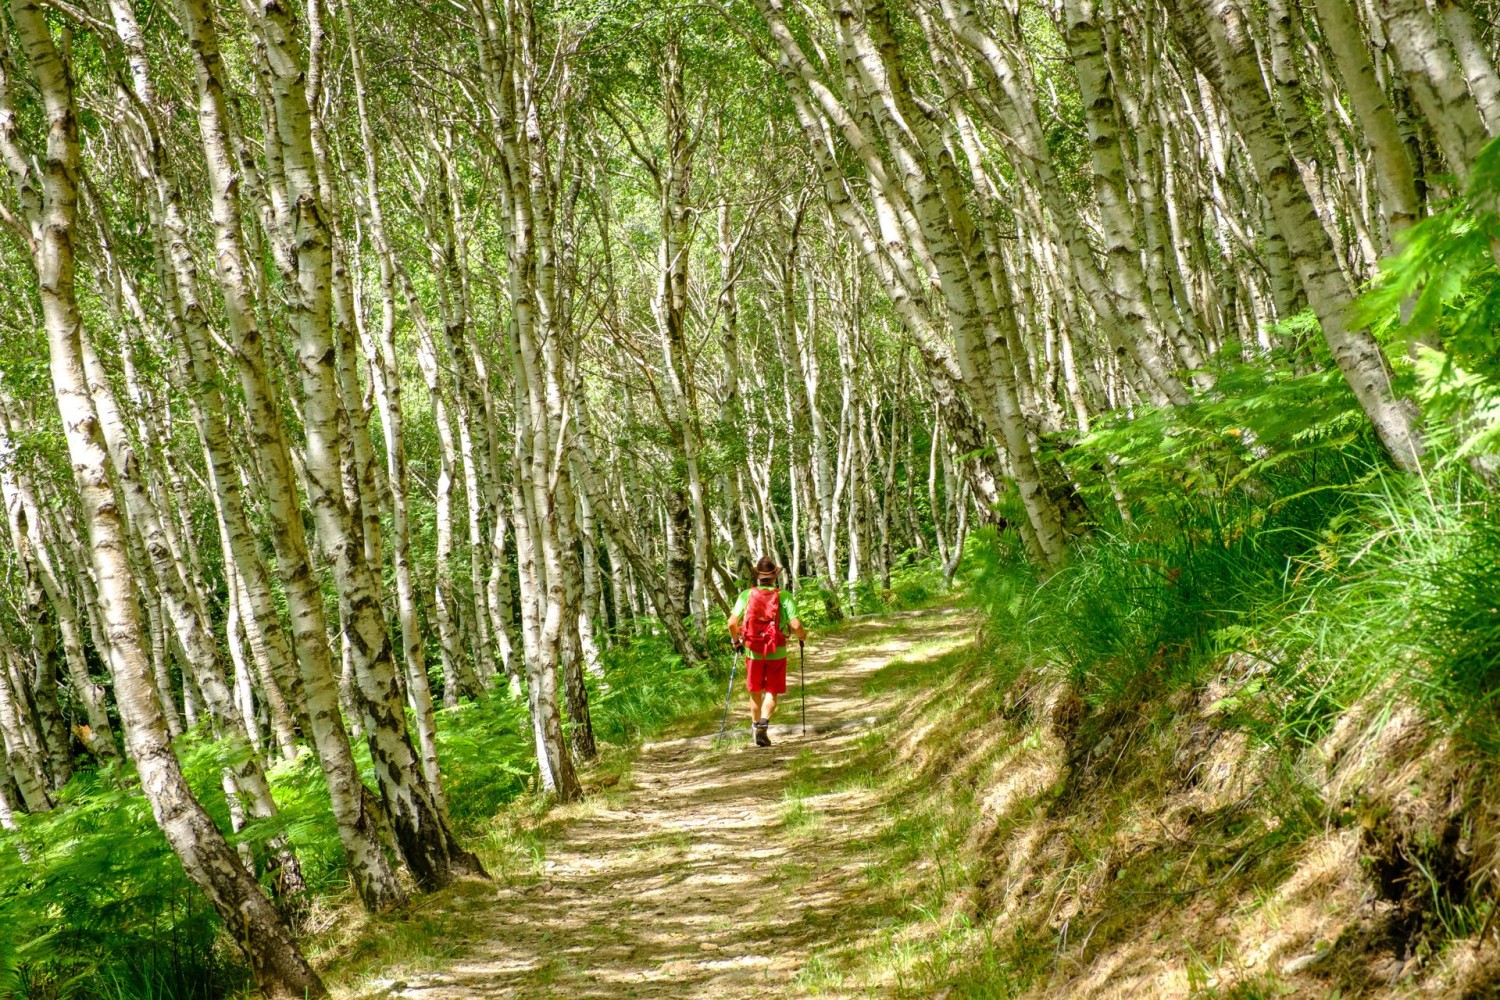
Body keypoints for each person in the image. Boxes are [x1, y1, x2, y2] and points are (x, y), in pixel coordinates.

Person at [727, 556, 808, 747]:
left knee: (755, 691)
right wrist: (803, 636)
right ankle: (764, 725)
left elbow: (732, 622)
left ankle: (756, 729)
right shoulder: (783, 596)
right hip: (776, 651)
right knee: (771, 692)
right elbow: (795, 625)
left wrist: (736, 642)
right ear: (774, 577)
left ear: (758, 577)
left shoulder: (746, 595)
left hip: (753, 651)